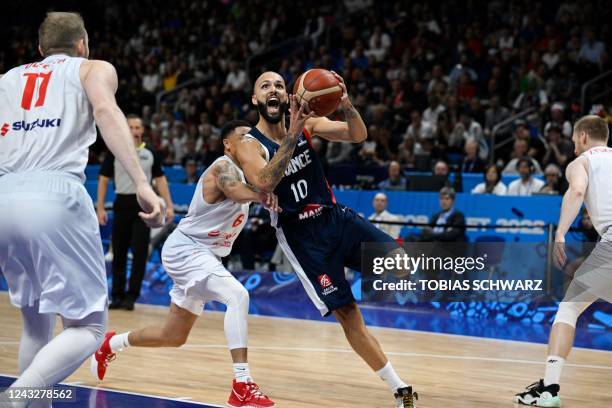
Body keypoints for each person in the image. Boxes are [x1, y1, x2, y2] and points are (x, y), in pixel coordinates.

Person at [0, 12, 164, 407]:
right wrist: (141, 183)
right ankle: (17, 397)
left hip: (5, 195)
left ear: (40, 50)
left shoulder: (7, 79)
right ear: (82, 44)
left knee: (35, 328)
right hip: (55, 193)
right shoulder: (92, 67)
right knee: (89, 327)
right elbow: (107, 112)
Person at [234, 71, 417, 407]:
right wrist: (291, 133)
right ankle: (399, 387)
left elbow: (357, 135)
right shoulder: (249, 144)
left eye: (278, 85)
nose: (272, 89)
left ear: (289, 94)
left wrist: (345, 105)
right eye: (264, 86)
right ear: (255, 100)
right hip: (303, 238)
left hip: (335, 218)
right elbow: (265, 181)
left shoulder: (308, 122)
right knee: (347, 313)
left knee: (402, 265)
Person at [92, 121, 278, 408]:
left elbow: (262, 179)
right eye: (242, 136)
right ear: (228, 145)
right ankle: (242, 384)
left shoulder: (249, 173)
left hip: (205, 256)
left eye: (252, 137)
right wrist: (260, 196)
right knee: (238, 296)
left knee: (174, 335)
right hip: (187, 249)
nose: (249, 140)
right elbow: (237, 191)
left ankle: (110, 344)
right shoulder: (223, 166)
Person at [514, 115, 611, 407]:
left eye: (572, 140)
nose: (572, 145)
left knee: (568, 309)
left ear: (582, 137)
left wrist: (561, 232)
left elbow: (577, 191)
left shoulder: (580, 162)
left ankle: (550, 390)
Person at [97, 114, 175, 311]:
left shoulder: (151, 153)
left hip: (145, 206)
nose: (134, 131)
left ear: (142, 131)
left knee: (140, 254)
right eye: (130, 127)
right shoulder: (115, 150)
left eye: (137, 127)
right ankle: (117, 296)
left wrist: (169, 205)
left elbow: (160, 180)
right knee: (119, 253)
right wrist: (99, 207)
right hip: (121, 204)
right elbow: (104, 179)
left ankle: (131, 296)